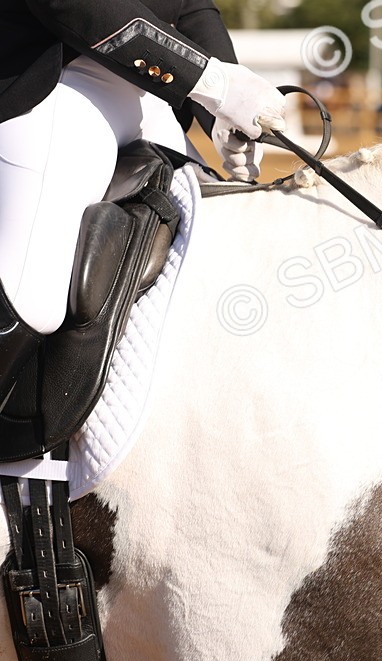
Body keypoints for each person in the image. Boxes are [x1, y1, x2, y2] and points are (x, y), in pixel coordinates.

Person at [0, 0, 288, 414]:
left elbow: (188, 6)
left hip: (152, 90)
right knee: (33, 299)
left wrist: (223, 102)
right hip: (50, 78)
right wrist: (210, 82)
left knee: (223, 251)